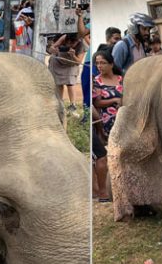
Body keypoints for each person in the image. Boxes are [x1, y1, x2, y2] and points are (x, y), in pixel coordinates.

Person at [91, 50, 123, 202]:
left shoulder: (121, 79)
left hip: (123, 119)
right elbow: (96, 102)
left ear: (111, 64)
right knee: (113, 154)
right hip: (107, 122)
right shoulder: (96, 81)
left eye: (103, 62)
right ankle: (112, 189)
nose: (99, 66)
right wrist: (114, 100)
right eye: (97, 63)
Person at [48, 33, 85, 111]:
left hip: (72, 63)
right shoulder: (64, 37)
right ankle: (59, 103)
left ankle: (72, 105)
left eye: (72, 43)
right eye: (68, 42)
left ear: (77, 41)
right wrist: (54, 49)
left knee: (70, 83)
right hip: (59, 60)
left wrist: (73, 55)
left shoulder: (82, 45)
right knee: (58, 83)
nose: (70, 45)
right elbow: (51, 49)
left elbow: (79, 62)